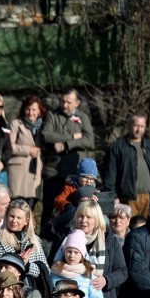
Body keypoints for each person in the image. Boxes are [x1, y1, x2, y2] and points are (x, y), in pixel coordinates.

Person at [40, 89, 95, 237]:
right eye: (62, 101)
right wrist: (73, 136)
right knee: (49, 206)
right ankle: (45, 238)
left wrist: (66, 144)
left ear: (77, 103)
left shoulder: (83, 117)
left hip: (74, 173)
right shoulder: (52, 115)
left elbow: (89, 140)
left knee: (72, 207)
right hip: (53, 171)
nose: (64, 104)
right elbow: (46, 135)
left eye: (68, 102)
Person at [102, 114, 150, 219]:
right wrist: (114, 197)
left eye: (142, 126)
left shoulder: (149, 146)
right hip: (127, 199)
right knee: (128, 230)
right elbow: (109, 176)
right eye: (136, 125)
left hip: (149, 198)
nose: (139, 129)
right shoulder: (117, 146)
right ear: (129, 126)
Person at [48, 229, 104, 298]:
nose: (72, 256)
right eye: (69, 251)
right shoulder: (54, 272)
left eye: (76, 252)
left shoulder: (88, 274)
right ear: (64, 252)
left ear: (82, 254)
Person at [0, 199, 48, 278]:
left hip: (30, 287)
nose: (14, 220)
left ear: (26, 221)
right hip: (2, 286)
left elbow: (45, 270)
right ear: (6, 217)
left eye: (19, 218)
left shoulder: (34, 240)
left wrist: (26, 266)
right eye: (11, 216)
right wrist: (11, 272)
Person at [7, 95, 47, 206]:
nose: (30, 113)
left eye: (34, 109)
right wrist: (28, 150)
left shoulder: (44, 126)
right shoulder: (15, 124)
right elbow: (10, 146)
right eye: (28, 109)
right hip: (18, 170)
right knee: (16, 205)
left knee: (31, 204)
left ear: (39, 111)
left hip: (35, 170)